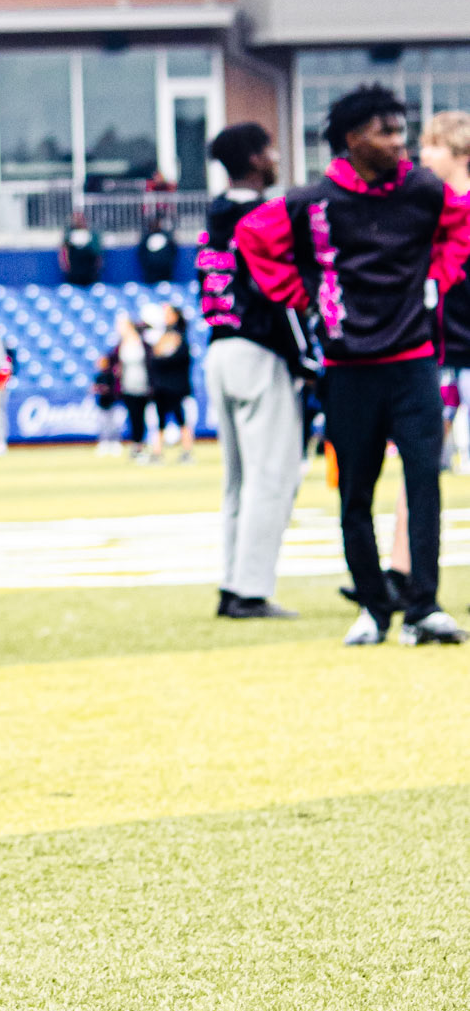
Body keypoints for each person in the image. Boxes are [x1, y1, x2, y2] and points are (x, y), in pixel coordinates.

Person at [236, 82, 470, 646]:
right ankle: (373, 608)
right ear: (352, 138)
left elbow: (461, 224)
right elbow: (252, 237)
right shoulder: (313, 201)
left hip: (414, 360)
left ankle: (424, 608)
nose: (399, 141)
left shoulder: (423, 189)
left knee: (424, 484)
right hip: (347, 367)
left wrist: (438, 276)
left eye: (401, 130)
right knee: (355, 494)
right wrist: (303, 296)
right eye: (386, 132)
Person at [199, 122, 307, 620]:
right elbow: (279, 291)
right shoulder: (265, 216)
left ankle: (232, 583)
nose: (277, 157)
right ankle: (251, 590)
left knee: (238, 481)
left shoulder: (214, 216)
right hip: (260, 350)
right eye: (271, 150)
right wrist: (307, 356)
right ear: (256, 159)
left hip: (219, 346)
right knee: (272, 477)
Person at [381, 111, 470, 601]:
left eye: (434, 145)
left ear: (461, 153)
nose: (423, 154)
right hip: (435, 356)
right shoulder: (423, 211)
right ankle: (400, 571)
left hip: (462, 353)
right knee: (418, 464)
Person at [146, 301, 195, 462]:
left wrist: (161, 357)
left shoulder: (179, 335)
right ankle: (157, 452)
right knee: (160, 420)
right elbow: (154, 359)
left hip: (175, 385)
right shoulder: (163, 334)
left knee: (181, 418)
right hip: (161, 385)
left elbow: (178, 358)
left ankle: (187, 451)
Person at [113, 313, 151, 458]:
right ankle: (136, 445)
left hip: (143, 385)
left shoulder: (141, 342)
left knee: (141, 416)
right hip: (127, 386)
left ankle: (141, 444)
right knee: (133, 416)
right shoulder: (121, 345)